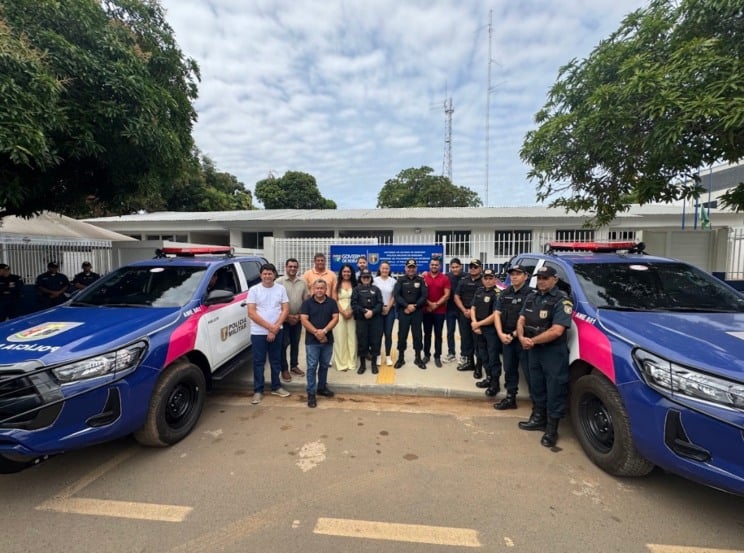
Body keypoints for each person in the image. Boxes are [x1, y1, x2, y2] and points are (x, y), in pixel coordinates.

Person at [517, 265, 573, 447]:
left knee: (555, 389)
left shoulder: (562, 301)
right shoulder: (532, 297)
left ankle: (552, 429)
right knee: (537, 385)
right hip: (533, 349)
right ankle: (538, 419)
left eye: (545, 278)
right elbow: (521, 319)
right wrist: (521, 337)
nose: (541, 281)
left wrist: (532, 341)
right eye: (539, 278)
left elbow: (557, 331)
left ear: (554, 279)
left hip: (552, 352)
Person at [247, 263, 290, 405]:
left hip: (277, 330)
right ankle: (258, 390)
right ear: (261, 275)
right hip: (258, 332)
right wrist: (270, 328)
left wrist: (275, 328)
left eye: (270, 273)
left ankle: (276, 386)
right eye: (264, 273)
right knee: (258, 362)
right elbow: (251, 313)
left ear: (274, 275)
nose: (267, 276)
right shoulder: (254, 290)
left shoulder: (281, 289)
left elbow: (285, 309)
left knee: (275, 360)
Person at [492, 264, 534, 410]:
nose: (514, 277)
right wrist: (500, 334)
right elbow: (497, 314)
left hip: (523, 339)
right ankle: (510, 398)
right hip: (506, 338)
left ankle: (538, 406)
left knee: (530, 372)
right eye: (512, 274)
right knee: (509, 369)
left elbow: (527, 318)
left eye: (518, 274)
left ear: (525, 276)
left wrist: (513, 334)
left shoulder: (531, 294)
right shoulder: (505, 293)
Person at [300, 279, 339, 408]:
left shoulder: (332, 302)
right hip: (312, 341)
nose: (319, 290)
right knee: (312, 367)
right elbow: (304, 320)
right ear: (313, 289)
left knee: (324, 365)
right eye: (317, 288)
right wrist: (317, 333)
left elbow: (335, 318)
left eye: (322, 288)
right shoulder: (307, 303)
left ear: (326, 289)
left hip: (328, 340)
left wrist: (325, 331)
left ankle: (321, 387)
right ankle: (311, 393)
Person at [470, 268, 503, 392]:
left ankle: (495, 383)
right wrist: (475, 323)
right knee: (482, 355)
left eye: (491, 278)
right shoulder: (479, 291)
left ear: (495, 279)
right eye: (486, 278)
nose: (488, 281)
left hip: (491, 330)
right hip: (478, 328)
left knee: (493, 357)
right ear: (483, 279)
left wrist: (478, 324)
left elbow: (495, 315)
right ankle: (489, 377)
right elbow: (473, 308)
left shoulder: (498, 294)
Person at [393, 258, 428, 369]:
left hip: (417, 312)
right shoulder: (400, 280)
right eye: (409, 267)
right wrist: (406, 306)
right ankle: (401, 358)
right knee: (402, 335)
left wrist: (415, 306)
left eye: (413, 267)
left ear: (416, 268)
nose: (411, 269)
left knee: (417, 335)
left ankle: (418, 358)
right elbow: (396, 295)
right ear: (405, 268)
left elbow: (424, 296)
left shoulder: (421, 280)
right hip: (404, 311)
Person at [276, 258, 307, 382]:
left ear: (297, 268)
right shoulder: (279, 282)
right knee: (283, 344)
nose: (293, 268)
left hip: (298, 319)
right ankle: (284, 369)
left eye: (295, 266)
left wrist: (299, 315)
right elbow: (275, 302)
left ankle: (294, 366)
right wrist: (287, 316)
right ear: (286, 267)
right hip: (283, 319)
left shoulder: (303, 282)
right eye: (290, 266)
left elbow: (306, 300)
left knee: (295, 343)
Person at [453, 259, 484, 373]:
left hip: (478, 315)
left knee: (478, 341)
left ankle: (479, 366)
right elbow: (456, 296)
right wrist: (464, 310)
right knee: (466, 339)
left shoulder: (484, 281)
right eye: (471, 267)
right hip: (464, 314)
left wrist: (472, 311)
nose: (473, 269)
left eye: (475, 267)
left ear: (480, 268)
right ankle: (470, 363)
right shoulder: (463, 281)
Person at [351, 269, 383, 374]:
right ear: (360, 278)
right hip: (362, 319)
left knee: (375, 341)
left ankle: (374, 364)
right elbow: (354, 304)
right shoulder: (356, 290)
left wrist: (372, 312)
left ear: (370, 278)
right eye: (364, 277)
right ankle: (363, 365)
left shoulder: (376, 289)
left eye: (367, 277)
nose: (366, 279)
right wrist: (364, 311)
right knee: (362, 342)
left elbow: (380, 303)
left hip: (375, 319)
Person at [422, 257, 450, 367]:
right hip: (426, 310)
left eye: (436, 265)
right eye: (432, 264)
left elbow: (447, 295)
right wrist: (430, 304)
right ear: (429, 265)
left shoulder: (445, 278)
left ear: (440, 266)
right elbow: (421, 293)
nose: (434, 266)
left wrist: (436, 305)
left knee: (438, 335)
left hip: (440, 311)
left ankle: (437, 356)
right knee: (427, 334)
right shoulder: (424, 277)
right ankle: (426, 355)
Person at [333, 264, 357, 371]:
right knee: (340, 338)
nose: (346, 273)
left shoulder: (355, 284)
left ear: (351, 273)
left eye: (348, 271)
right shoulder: (336, 284)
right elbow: (334, 300)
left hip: (353, 312)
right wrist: (342, 312)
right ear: (341, 273)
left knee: (352, 338)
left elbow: (359, 299)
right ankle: (342, 363)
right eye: (344, 271)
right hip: (339, 313)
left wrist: (351, 311)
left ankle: (351, 362)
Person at [373, 261, 396, 366]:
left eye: (387, 268)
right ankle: (378, 355)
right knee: (378, 334)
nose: (385, 270)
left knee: (388, 333)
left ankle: (388, 356)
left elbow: (394, 296)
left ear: (389, 270)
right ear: (380, 269)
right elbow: (373, 295)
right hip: (378, 310)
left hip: (390, 310)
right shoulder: (375, 280)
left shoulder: (393, 281)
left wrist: (388, 307)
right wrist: (380, 307)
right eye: (383, 268)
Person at [444, 257, 463, 363]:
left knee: (463, 333)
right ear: (450, 268)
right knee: (450, 332)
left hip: (462, 309)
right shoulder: (447, 276)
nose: (455, 269)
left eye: (457, 267)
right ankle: (451, 353)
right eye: (453, 267)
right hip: (450, 309)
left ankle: (464, 354)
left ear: (461, 266)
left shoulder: (466, 276)